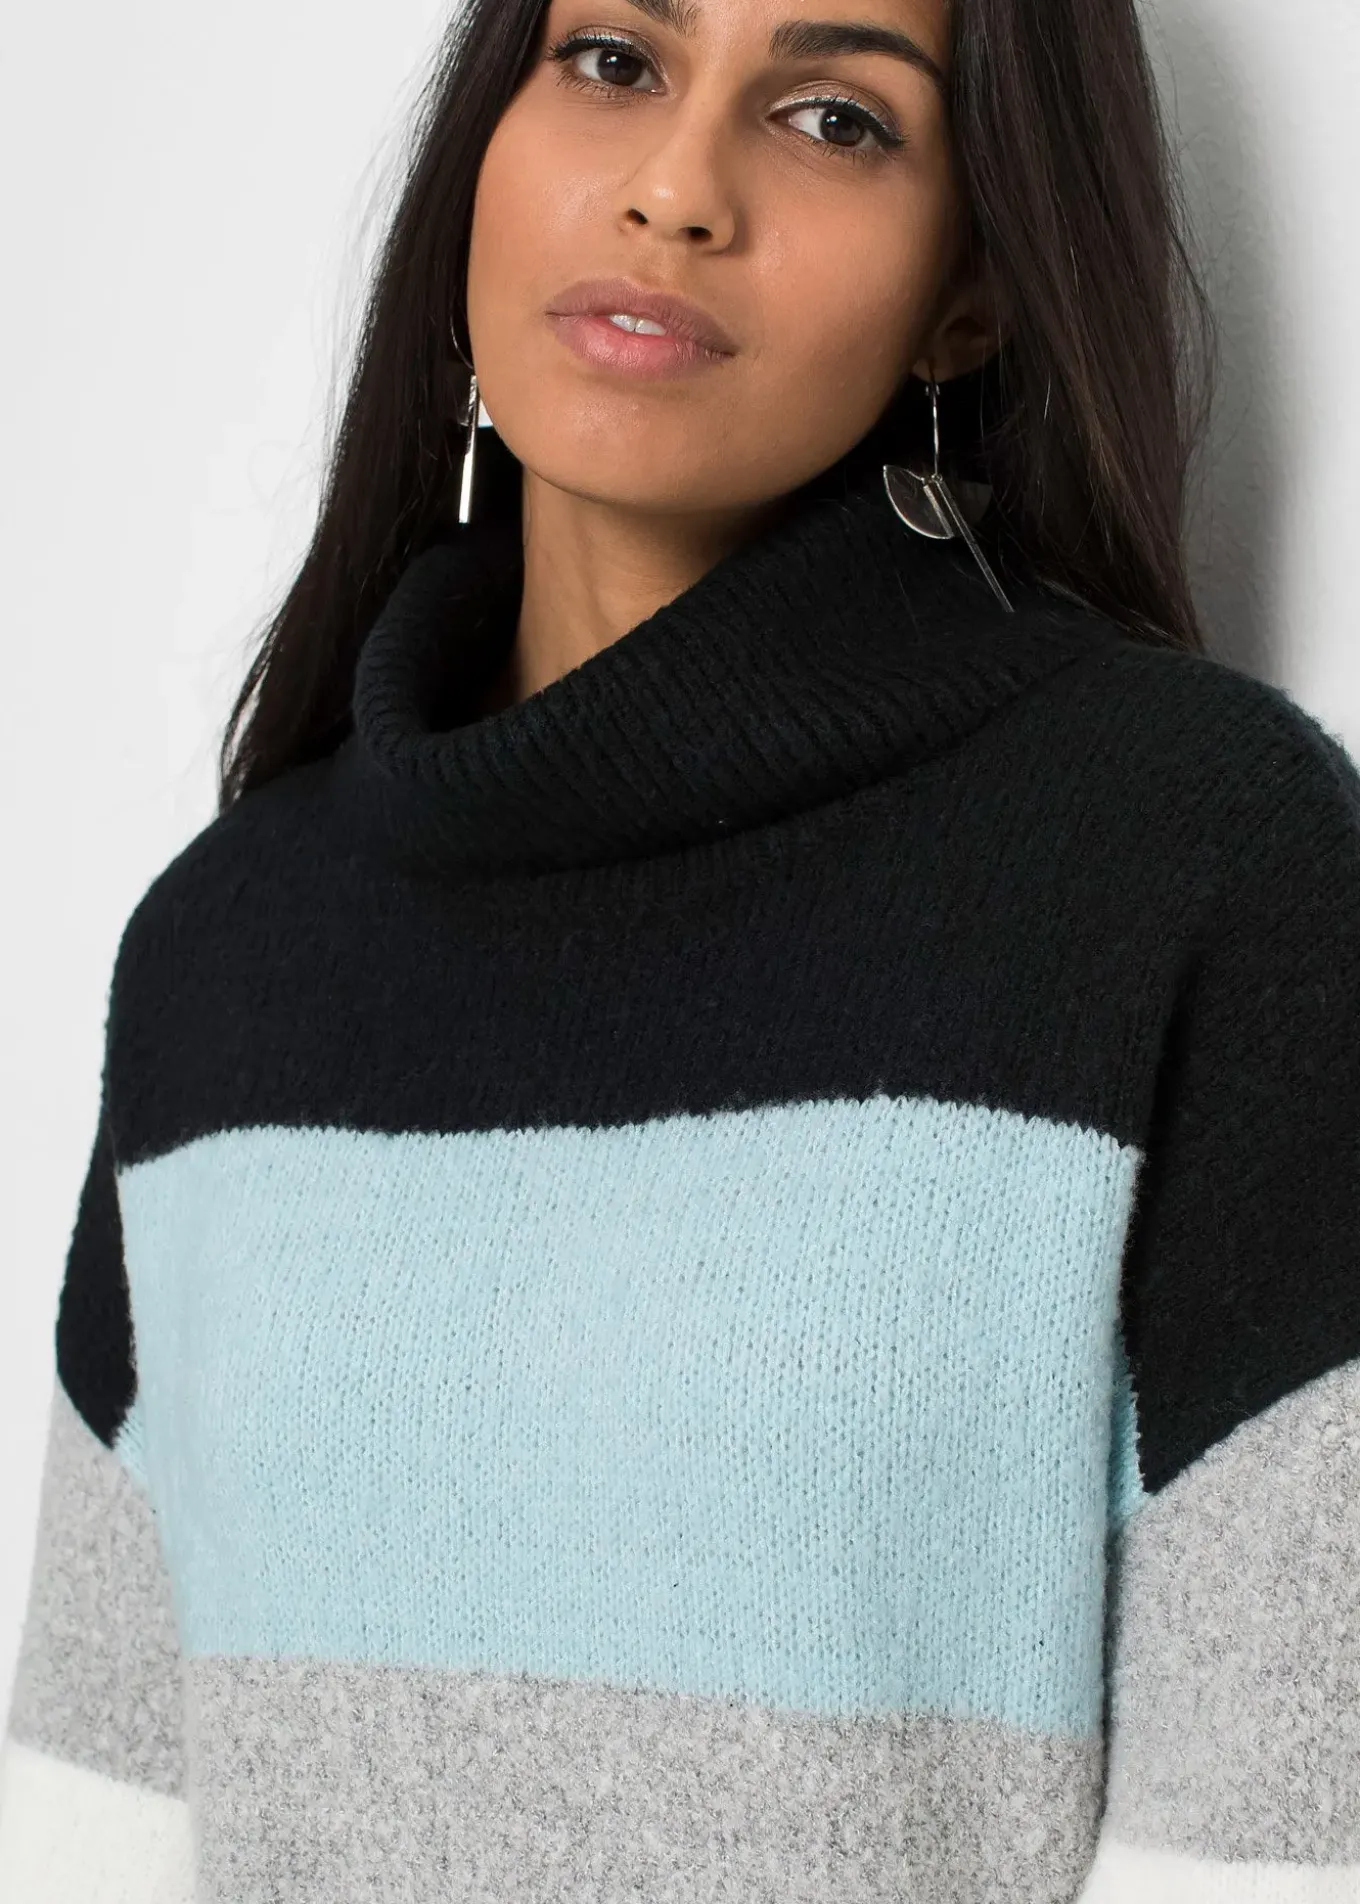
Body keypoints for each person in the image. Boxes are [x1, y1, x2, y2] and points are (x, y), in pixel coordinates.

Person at [2, 0, 1357, 1896]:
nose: (676, 189)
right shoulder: (226, 944)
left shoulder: (1191, 854)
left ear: (972, 291)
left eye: (835, 117)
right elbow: (94, 1817)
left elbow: (1288, 1837)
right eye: (615, 61)